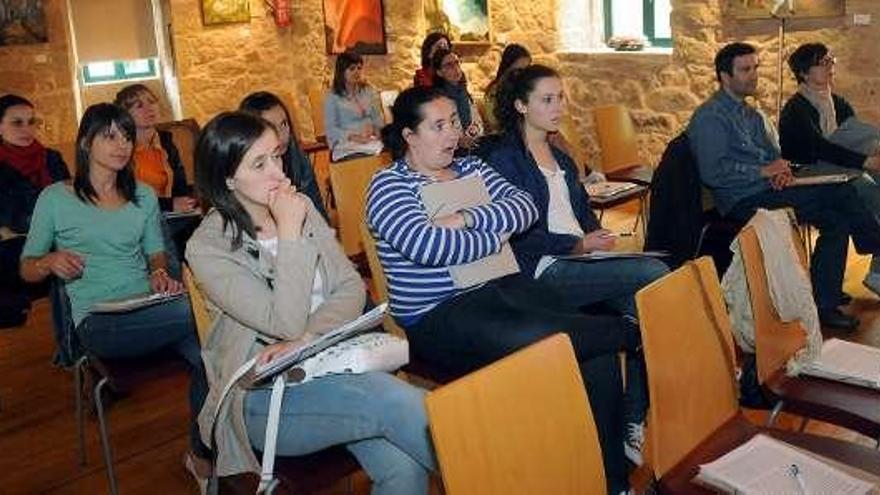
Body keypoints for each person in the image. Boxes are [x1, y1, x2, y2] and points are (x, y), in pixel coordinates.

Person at [366, 85, 640, 493]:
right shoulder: (389, 186)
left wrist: (464, 218)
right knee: (564, 339)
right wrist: (495, 234)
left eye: (454, 123)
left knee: (592, 352)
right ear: (409, 135)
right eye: (437, 126)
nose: (451, 135)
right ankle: (635, 331)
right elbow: (428, 247)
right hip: (439, 315)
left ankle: (612, 481)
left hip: (503, 286)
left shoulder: (472, 168)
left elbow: (525, 206)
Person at [185, 111, 435, 493]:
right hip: (264, 395)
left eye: (277, 155)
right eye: (260, 163)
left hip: (333, 364)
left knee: (404, 467)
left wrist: (309, 336)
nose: (279, 173)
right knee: (391, 399)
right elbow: (283, 322)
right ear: (228, 179)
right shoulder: (208, 246)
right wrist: (288, 233)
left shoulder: (297, 204)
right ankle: (496, 472)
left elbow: (352, 289)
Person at [484, 64, 669, 466]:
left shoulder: (564, 160)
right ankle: (636, 415)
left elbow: (583, 215)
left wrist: (597, 242)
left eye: (561, 98)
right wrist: (576, 244)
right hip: (541, 267)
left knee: (649, 306)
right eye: (547, 100)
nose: (558, 107)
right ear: (520, 105)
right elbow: (516, 235)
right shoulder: (504, 160)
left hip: (578, 260)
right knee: (655, 278)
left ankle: (630, 420)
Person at [18, 102, 210, 475]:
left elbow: (156, 251)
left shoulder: (142, 195)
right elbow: (27, 268)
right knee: (202, 311)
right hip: (100, 320)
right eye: (110, 136)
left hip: (152, 307)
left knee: (214, 354)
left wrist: (158, 273)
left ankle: (201, 456)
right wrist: (49, 262)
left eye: (126, 136)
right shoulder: (56, 198)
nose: (122, 144)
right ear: (87, 142)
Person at [688, 42, 880, 330]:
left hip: (768, 189)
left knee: (837, 218)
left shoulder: (751, 114)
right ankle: (875, 244)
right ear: (724, 76)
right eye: (744, 69)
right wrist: (763, 171)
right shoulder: (710, 117)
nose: (753, 75)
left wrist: (779, 170)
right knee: (843, 191)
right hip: (742, 200)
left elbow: (774, 155)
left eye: (755, 68)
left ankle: (824, 300)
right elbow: (714, 173)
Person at [779, 42, 880, 294]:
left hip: (837, 167)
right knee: (865, 186)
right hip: (807, 171)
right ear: (804, 72)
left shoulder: (838, 102)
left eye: (830, 61)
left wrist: (873, 148)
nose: (830, 67)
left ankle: (877, 270)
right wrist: (864, 161)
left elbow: (853, 136)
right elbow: (818, 148)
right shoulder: (796, 108)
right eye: (822, 63)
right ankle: (877, 264)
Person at [0, 94, 70, 318]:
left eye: (31, 122)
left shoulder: (51, 159)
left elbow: (71, 202)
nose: (26, 129)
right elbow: (15, 219)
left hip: (60, 237)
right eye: (17, 123)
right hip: (18, 247)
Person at [238, 91, 327, 220]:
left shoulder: (299, 159)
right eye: (271, 127)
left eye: (284, 124)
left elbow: (318, 213)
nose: (282, 135)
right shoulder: (246, 176)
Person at [114, 84, 197, 213]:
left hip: (170, 216)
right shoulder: (121, 148)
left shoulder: (166, 141)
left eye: (152, 102)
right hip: (137, 216)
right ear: (126, 114)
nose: (149, 108)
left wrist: (188, 203)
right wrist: (168, 206)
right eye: (139, 106)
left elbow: (180, 185)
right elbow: (124, 197)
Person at [323, 51, 384, 162]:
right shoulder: (332, 97)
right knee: (364, 160)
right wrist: (353, 136)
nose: (356, 72)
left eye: (359, 68)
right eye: (352, 69)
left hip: (371, 141)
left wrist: (379, 131)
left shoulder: (368, 91)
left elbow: (377, 118)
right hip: (346, 145)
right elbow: (331, 129)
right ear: (341, 72)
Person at [431, 48, 483, 150]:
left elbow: (478, 122)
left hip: (472, 146)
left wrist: (475, 130)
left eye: (457, 63)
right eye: (449, 65)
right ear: (439, 72)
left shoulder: (464, 93)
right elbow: (437, 134)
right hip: (451, 152)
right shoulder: (437, 100)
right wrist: (459, 141)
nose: (456, 68)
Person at [482, 43, 531, 133]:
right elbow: (495, 124)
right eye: (519, 70)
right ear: (508, 67)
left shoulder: (524, 86)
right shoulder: (494, 91)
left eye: (527, 70)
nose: (524, 75)